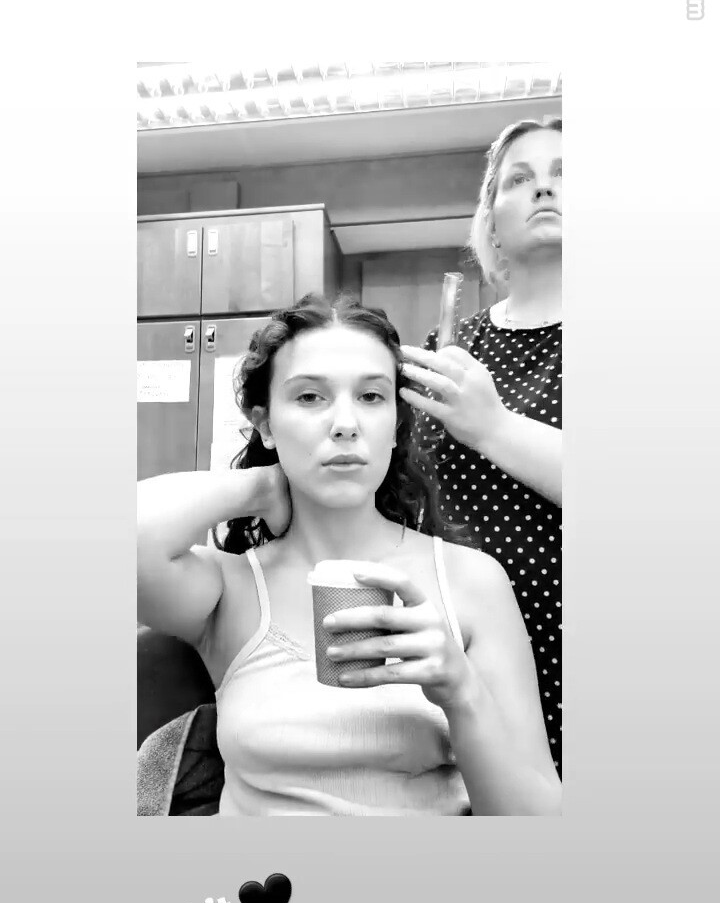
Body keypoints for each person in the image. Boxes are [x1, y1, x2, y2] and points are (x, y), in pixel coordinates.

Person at [137, 293, 561, 816]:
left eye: (371, 396)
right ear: (265, 423)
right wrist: (261, 486)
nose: (345, 423)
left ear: (396, 425)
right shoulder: (230, 587)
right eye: (310, 397)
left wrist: (461, 692)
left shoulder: (473, 581)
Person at [402, 117, 562, 775]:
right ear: (491, 220)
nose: (544, 189)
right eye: (519, 179)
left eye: (564, 175)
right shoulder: (454, 347)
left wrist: (492, 427)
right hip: (458, 651)